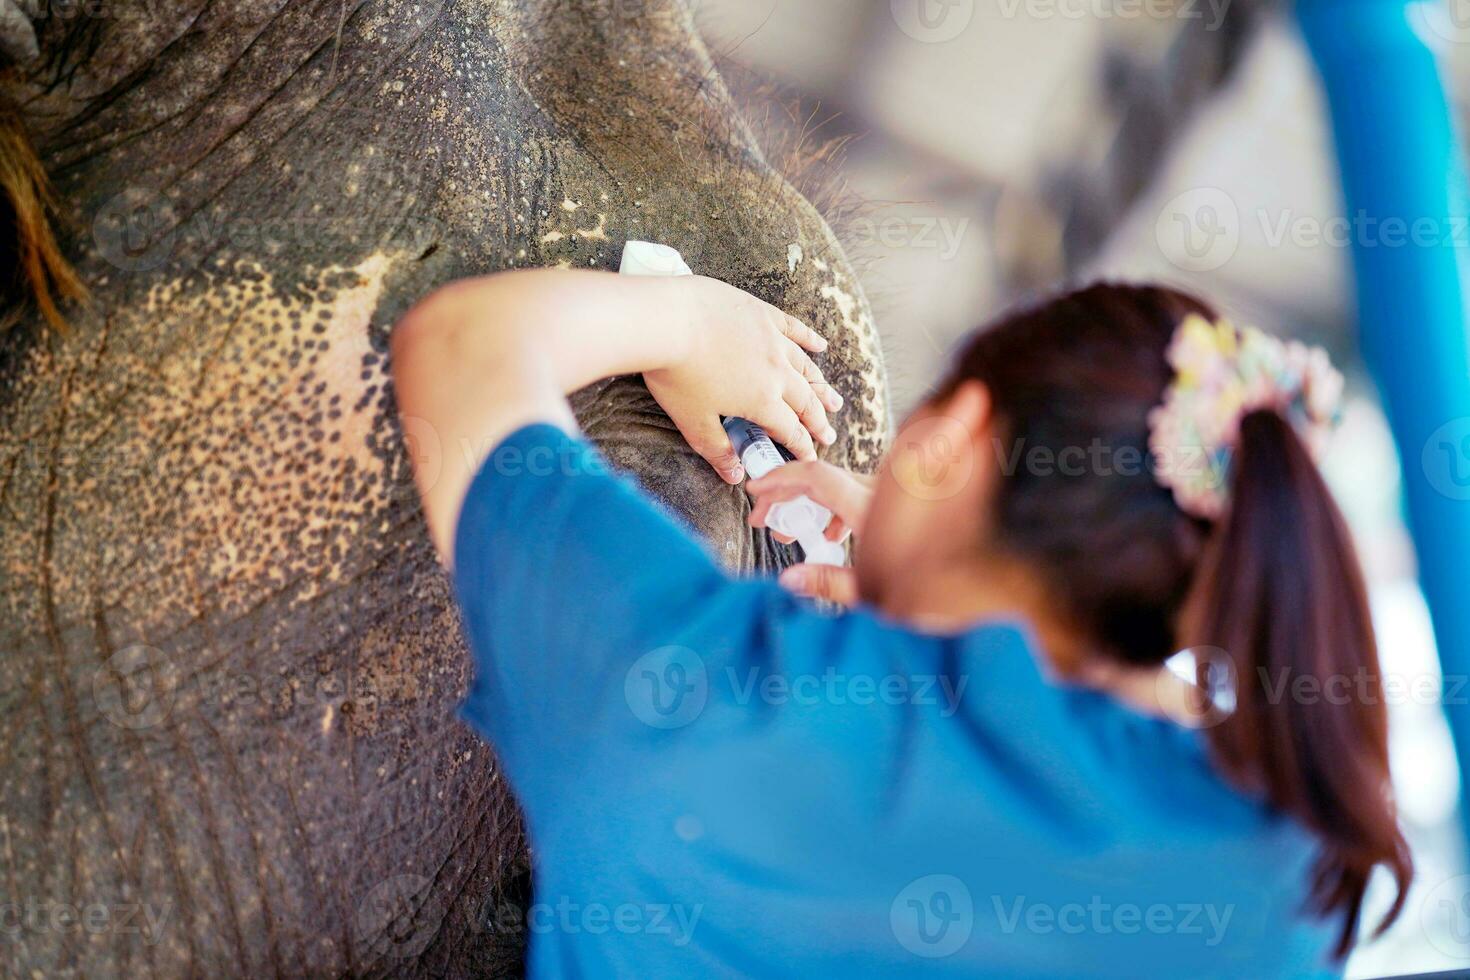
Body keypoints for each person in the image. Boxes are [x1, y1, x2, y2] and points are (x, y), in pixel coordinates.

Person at [389, 269, 1411, 977]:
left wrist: (696, 322)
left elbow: (466, 347)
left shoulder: (694, 689)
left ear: (956, 429)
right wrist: (937, 588)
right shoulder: (1289, 886)